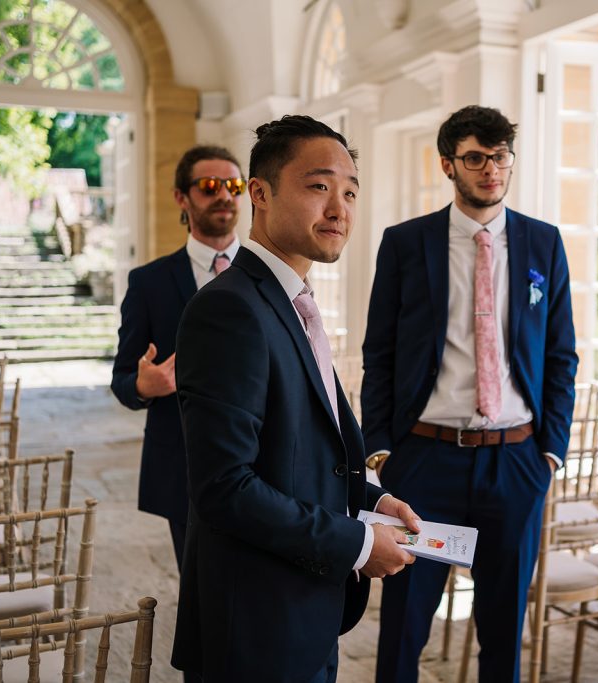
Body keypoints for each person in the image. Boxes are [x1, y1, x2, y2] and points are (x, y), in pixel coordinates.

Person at [172, 115, 420, 682]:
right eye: (319, 187)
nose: (340, 209)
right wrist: (359, 544)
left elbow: (308, 450)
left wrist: (373, 500)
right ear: (259, 193)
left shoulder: (292, 301)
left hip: (304, 608)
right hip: (255, 626)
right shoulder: (229, 308)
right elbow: (224, 488)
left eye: (350, 192)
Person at [361, 105, 578, 683]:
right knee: (406, 620)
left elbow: (561, 355)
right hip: (426, 461)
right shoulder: (406, 244)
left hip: (515, 462)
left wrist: (549, 452)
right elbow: (378, 352)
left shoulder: (543, 243)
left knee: (504, 626)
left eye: (500, 156)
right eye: (476, 157)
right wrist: (381, 449)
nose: (491, 169)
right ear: (448, 164)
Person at [111, 144, 244, 572]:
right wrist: (142, 386)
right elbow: (123, 377)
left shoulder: (271, 272)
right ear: (181, 198)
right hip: (187, 468)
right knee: (201, 596)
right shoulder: (149, 283)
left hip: (265, 463)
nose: (224, 195)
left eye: (234, 185)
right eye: (209, 186)